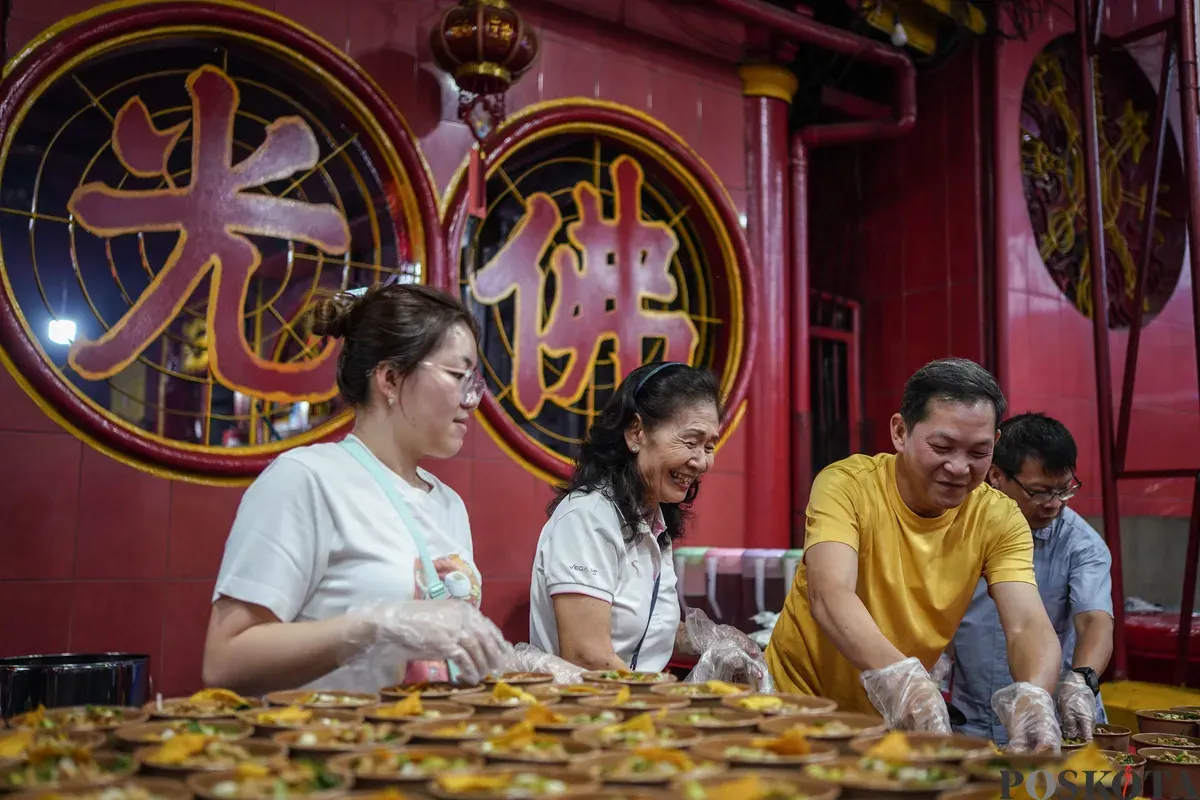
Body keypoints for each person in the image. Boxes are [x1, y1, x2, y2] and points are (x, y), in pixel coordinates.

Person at [202, 282, 512, 694]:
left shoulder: (448, 504)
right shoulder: (306, 479)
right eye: (457, 376)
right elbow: (224, 662)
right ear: (390, 378)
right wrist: (374, 625)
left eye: (473, 382)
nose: (472, 400)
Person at [765, 357, 1064, 752]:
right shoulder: (847, 485)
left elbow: (1027, 623)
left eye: (979, 452)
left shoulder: (999, 517)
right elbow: (830, 594)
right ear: (900, 431)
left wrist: (1034, 699)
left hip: (891, 725)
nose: (959, 468)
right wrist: (904, 680)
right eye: (941, 447)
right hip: (795, 707)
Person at [528, 362, 770, 685]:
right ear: (636, 432)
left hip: (633, 711)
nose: (700, 462)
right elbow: (587, 656)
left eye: (709, 446)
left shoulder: (653, 525)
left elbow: (644, 629)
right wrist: (666, 702)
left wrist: (709, 641)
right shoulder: (587, 518)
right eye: (690, 441)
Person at [947, 413, 1112, 745]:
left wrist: (1081, 680)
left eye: (1063, 491)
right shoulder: (956, 528)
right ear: (996, 476)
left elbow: (1094, 621)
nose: (1053, 504)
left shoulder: (1080, 543)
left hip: (1050, 720)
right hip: (972, 720)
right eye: (1039, 492)